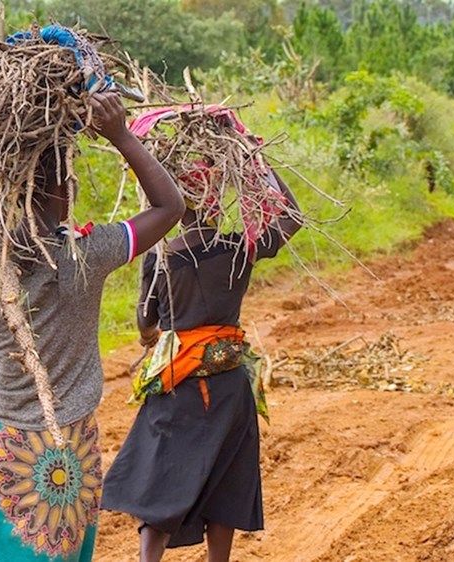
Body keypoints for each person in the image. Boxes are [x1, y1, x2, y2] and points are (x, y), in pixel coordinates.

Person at [0, 92, 185, 562]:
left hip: (0, 433)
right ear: (65, 189)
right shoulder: (89, 253)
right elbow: (170, 207)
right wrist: (121, 136)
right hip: (66, 442)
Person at [100, 170, 302, 562]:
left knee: (160, 477)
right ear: (215, 200)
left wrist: (149, 338)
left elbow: (146, 320)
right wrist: (260, 167)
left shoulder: (163, 256)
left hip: (178, 383)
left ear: (177, 202)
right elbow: (292, 216)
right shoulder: (239, 248)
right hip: (229, 385)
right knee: (226, 478)